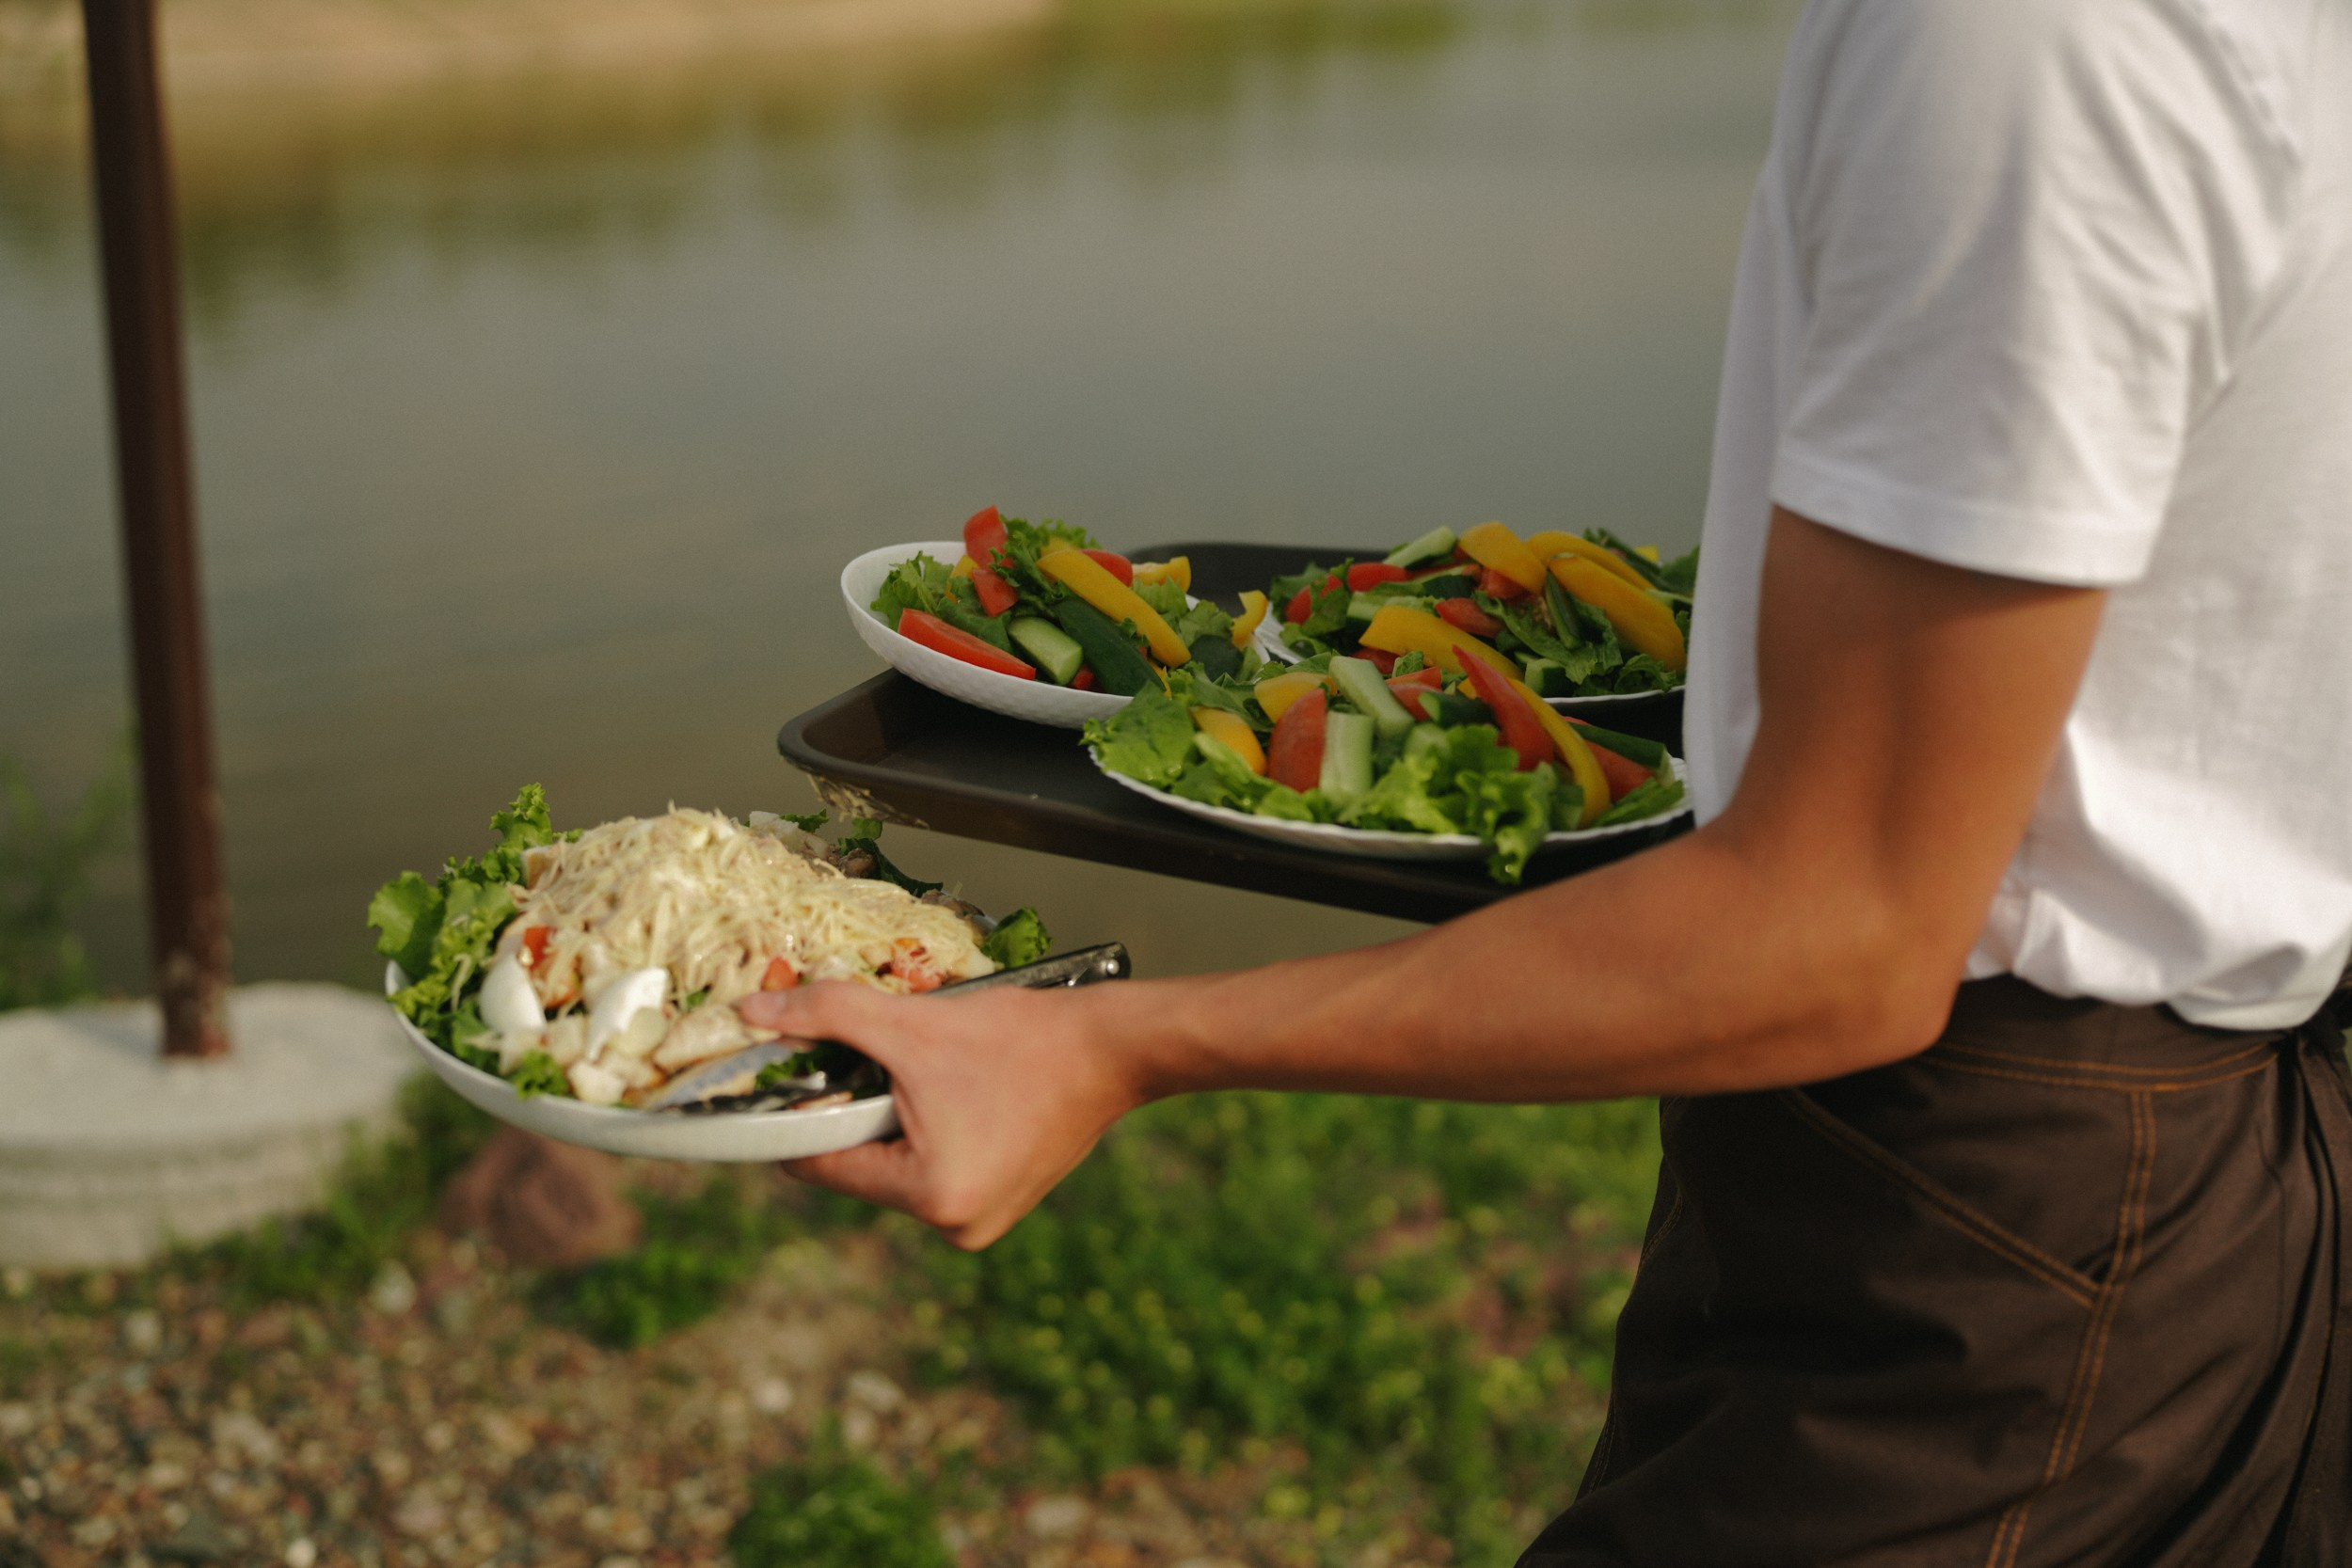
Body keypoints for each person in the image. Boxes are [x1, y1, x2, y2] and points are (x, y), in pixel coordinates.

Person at [743, 0, 2352, 1560]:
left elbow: (1845, 938)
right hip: (2183, 1184)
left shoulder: (2037, 39)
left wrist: (1106, 1047)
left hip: (1999, 1235)